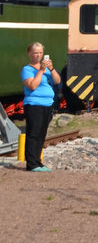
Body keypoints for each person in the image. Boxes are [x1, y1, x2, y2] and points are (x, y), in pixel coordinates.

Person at [21, 42, 60, 172]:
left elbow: (57, 81)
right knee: (34, 133)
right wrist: (41, 70)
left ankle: (38, 162)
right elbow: (32, 85)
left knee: (42, 134)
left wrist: (52, 69)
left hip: (47, 104)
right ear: (29, 54)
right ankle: (31, 164)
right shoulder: (27, 69)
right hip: (34, 104)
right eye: (35, 53)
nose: (38, 55)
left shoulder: (47, 69)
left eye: (40, 53)